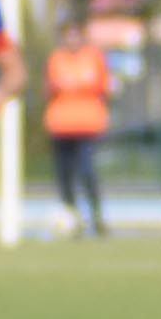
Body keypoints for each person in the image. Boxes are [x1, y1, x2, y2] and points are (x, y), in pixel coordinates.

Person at [44, 14, 114, 238]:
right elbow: (50, 90)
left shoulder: (94, 57)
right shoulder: (56, 58)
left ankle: (97, 217)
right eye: (68, 35)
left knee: (86, 171)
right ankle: (72, 218)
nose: (72, 39)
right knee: (64, 174)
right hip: (61, 125)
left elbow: (103, 89)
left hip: (87, 124)